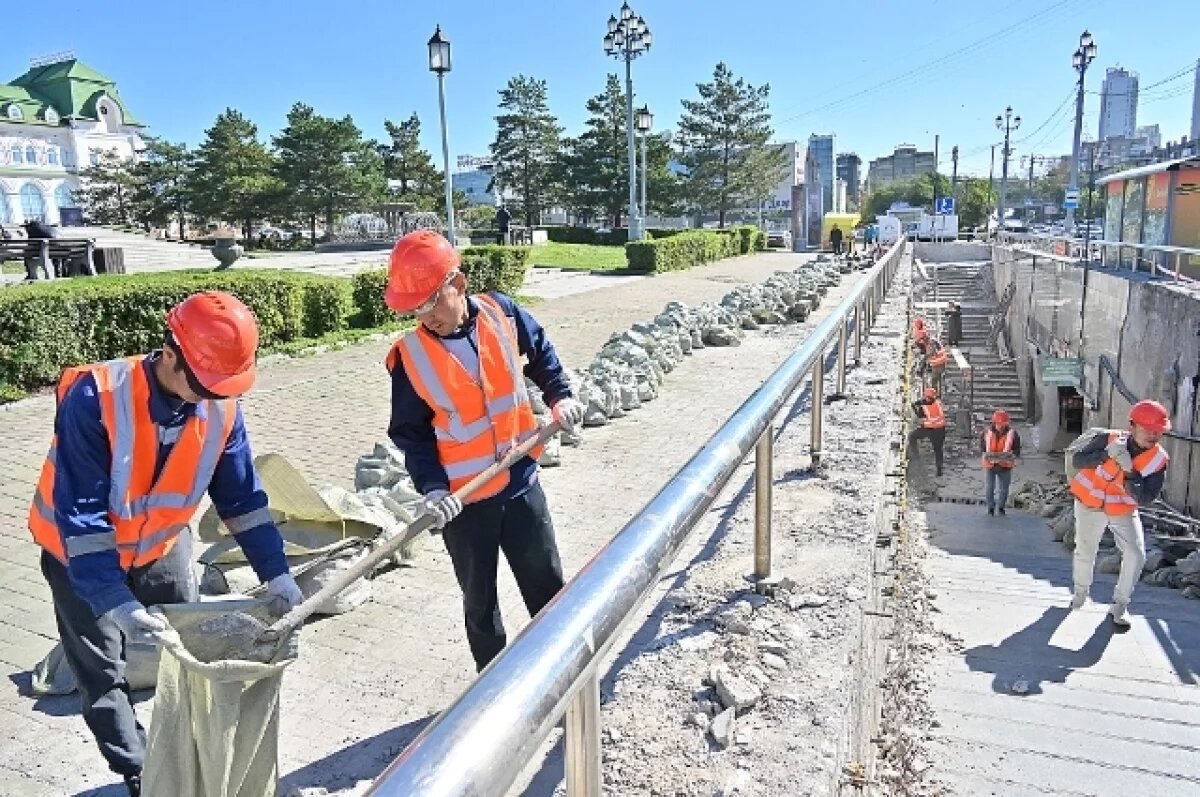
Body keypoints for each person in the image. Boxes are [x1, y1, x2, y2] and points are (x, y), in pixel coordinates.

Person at [28, 291, 303, 797]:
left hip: (160, 546)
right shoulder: (96, 398)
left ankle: (189, 752)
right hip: (81, 557)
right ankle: (140, 772)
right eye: (200, 383)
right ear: (169, 352)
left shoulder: (220, 405)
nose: (207, 396)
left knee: (185, 653)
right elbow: (83, 516)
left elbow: (241, 498)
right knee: (102, 669)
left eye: (218, 387)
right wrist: (114, 601)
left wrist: (276, 571)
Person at [384, 230, 586, 672]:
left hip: (520, 487)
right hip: (465, 505)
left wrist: (560, 396)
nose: (425, 317)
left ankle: (566, 676)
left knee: (549, 590)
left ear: (458, 284)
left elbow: (542, 356)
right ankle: (490, 695)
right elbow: (411, 434)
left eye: (430, 302)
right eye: (414, 308)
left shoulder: (503, 314)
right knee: (481, 608)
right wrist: (433, 488)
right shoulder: (410, 358)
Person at [1068, 399, 1171, 628]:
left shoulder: (1158, 459)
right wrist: (1105, 456)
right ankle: (1080, 594)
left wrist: (1130, 473)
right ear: (1132, 426)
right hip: (1090, 503)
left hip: (1122, 509)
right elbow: (1078, 461)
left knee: (1136, 554)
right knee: (1085, 550)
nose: (1153, 436)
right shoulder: (1107, 438)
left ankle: (1120, 606)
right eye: (1148, 430)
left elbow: (1146, 497)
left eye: (1158, 431)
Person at [981, 409, 1021, 515]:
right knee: (990, 488)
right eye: (998, 424)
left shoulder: (1012, 433)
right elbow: (982, 447)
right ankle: (990, 508)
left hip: (1005, 466)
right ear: (994, 423)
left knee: (1004, 489)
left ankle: (1001, 507)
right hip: (991, 465)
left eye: (1002, 424)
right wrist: (986, 455)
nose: (1000, 426)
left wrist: (1011, 455)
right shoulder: (986, 432)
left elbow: (1017, 450)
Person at [909, 387, 947, 476]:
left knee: (912, 436)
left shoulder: (926, 407)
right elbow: (923, 402)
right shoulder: (938, 403)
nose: (924, 398)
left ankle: (916, 457)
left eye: (926, 396)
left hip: (930, 429)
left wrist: (914, 407)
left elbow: (919, 415)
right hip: (941, 429)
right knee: (938, 450)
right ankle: (939, 470)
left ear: (929, 397)